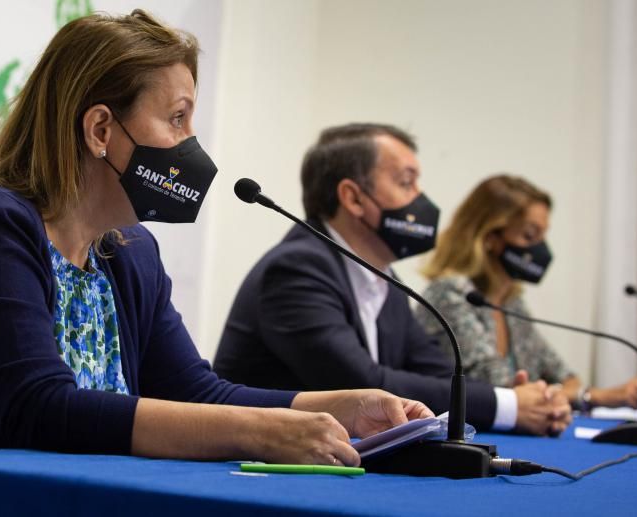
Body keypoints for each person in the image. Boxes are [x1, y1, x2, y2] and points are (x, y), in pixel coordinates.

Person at [0, 10, 435, 466]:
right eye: (177, 118)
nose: (190, 144)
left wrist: (344, 407)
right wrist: (259, 432)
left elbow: (196, 392)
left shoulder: (127, 250)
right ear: (101, 130)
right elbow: (37, 407)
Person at [214, 123, 572, 436]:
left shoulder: (384, 278)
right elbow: (366, 385)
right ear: (353, 198)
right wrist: (505, 405)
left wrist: (522, 399)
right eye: (406, 183)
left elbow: (438, 370)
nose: (421, 200)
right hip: (258, 469)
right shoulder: (298, 268)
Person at [417, 175, 637, 411]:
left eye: (543, 236)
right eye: (530, 235)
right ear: (490, 236)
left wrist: (574, 393)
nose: (540, 249)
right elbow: (498, 388)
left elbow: (566, 377)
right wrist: (597, 396)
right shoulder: (449, 294)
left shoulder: (511, 303)